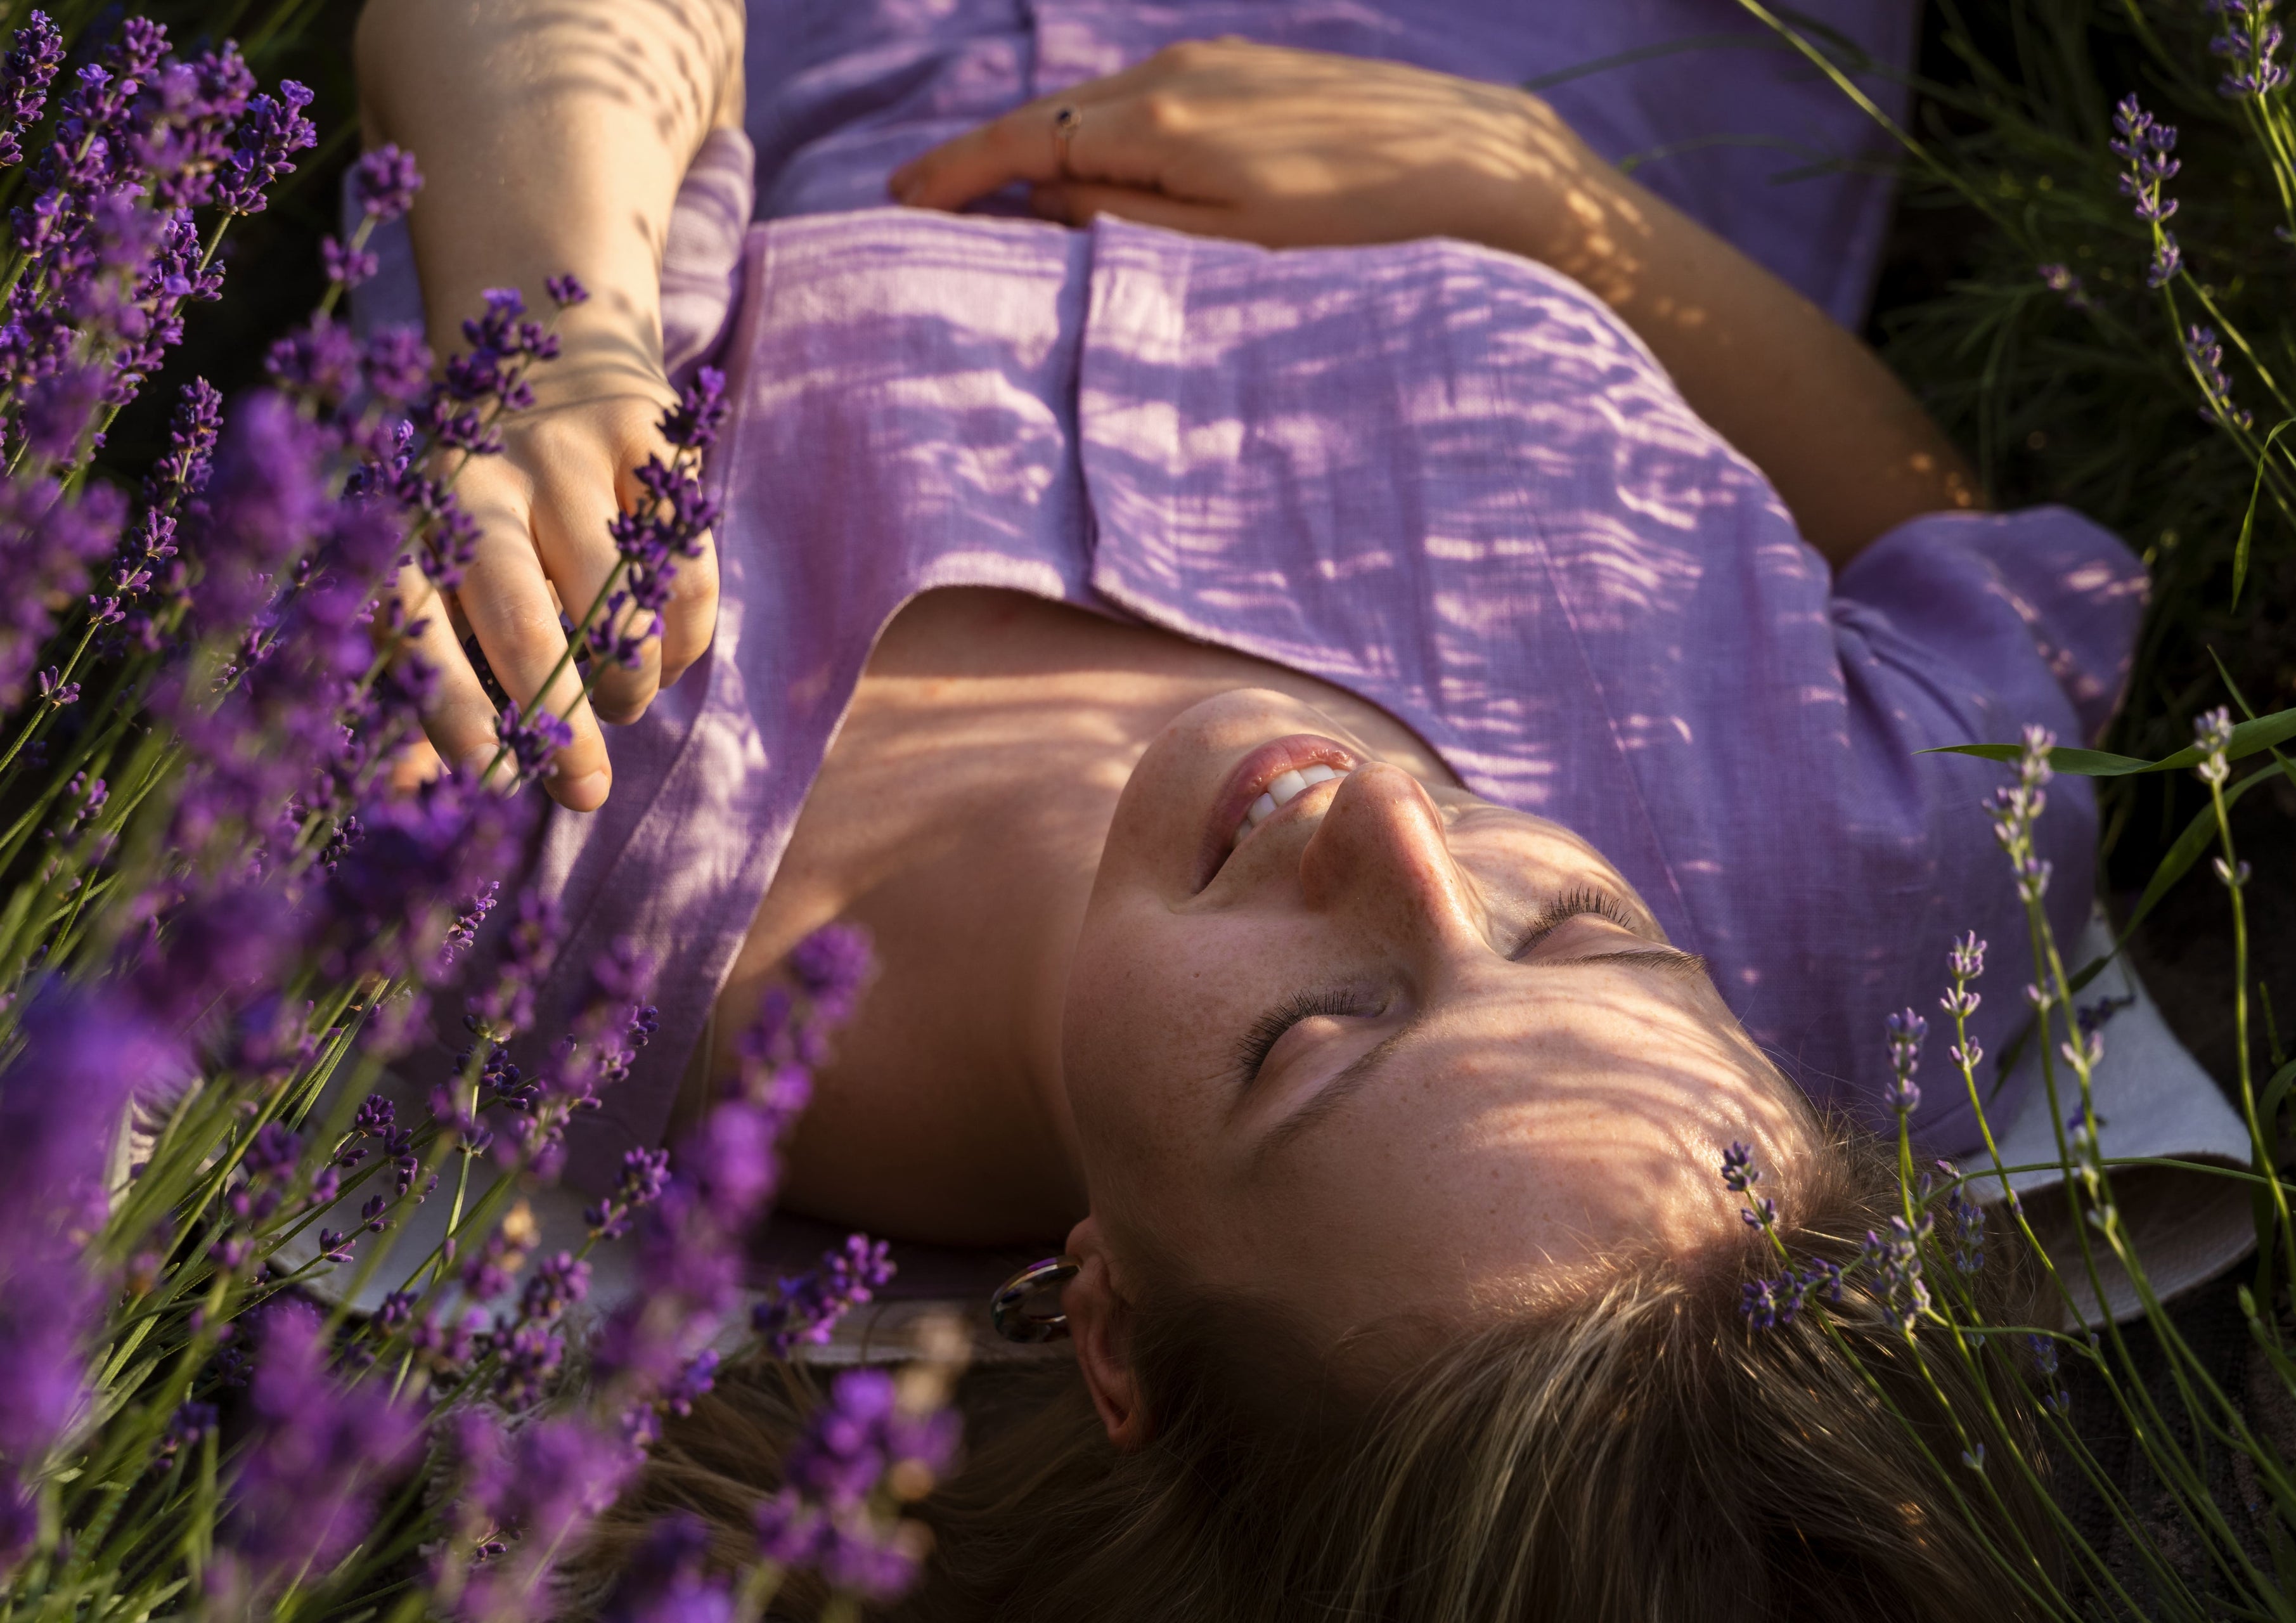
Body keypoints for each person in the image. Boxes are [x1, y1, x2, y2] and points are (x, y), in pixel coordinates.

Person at [353, 0, 2141, 1614]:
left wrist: (560, 344)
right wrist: (1545, 198)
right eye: (1581, 931)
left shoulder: (546, 819)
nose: (1397, 836)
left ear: (1112, 1321)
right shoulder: (1858, 928)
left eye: (1303, 1041)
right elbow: (1985, 573)